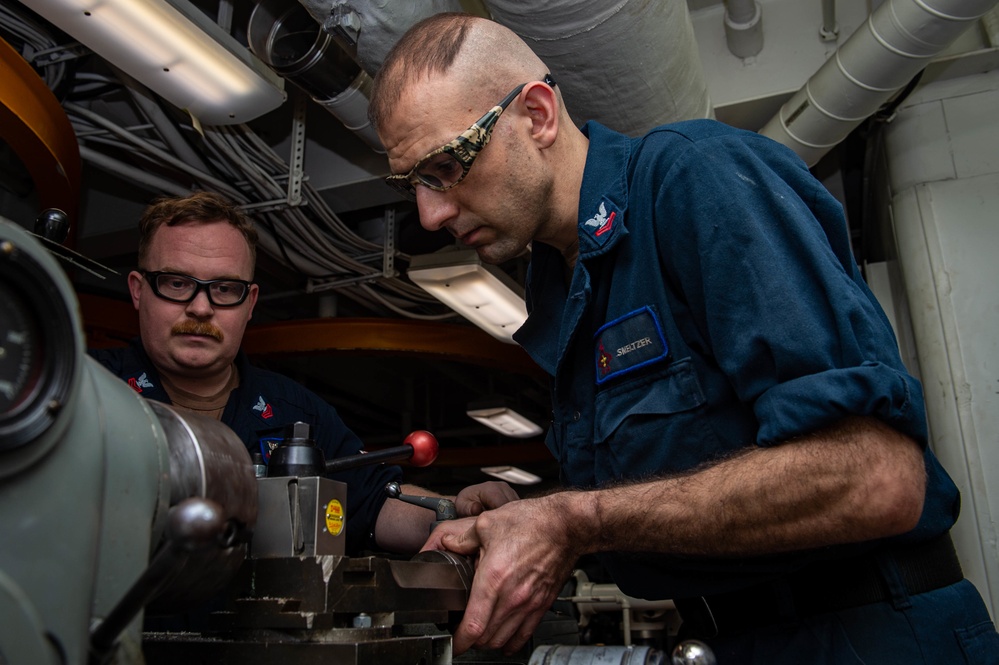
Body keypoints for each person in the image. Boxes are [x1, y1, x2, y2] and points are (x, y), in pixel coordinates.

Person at [367, 12, 999, 664]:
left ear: (536, 115)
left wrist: (574, 522)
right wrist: (530, 512)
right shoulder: (559, 283)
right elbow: (672, 483)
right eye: (411, 182)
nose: (430, 213)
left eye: (446, 165)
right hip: (731, 638)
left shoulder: (691, 178)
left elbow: (873, 477)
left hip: (870, 634)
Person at [90, 191, 516, 557]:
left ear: (250, 302)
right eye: (177, 283)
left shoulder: (300, 415)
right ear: (138, 290)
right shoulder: (83, 392)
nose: (201, 308)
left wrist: (458, 515)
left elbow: (372, 503)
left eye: (224, 289)